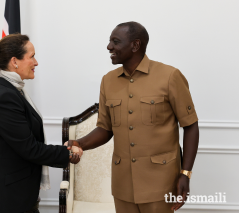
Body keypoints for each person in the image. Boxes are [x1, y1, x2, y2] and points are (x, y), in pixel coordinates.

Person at [66, 22, 199, 213]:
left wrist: (185, 174)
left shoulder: (170, 76)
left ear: (135, 45)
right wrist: (80, 143)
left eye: (115, 41)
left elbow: (191, 125)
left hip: (160, 183)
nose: (109, 47)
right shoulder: (108, 81)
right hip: (123, 186)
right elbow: (105, 128)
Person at [0, 34, 83, 213]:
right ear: (15, 61)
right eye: (32, 56)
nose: (36, 62)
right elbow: (30, 149)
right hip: (6, 199)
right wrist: (68, 153)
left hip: (18, 195)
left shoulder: (13, 91)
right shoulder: (5, 97)